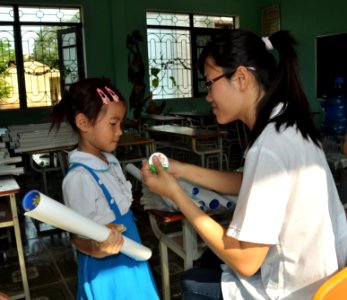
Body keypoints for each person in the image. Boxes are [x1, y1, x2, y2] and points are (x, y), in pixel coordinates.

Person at [141, 29, 347, 299]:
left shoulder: (270, 145)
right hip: (327, 277)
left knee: (193, 282)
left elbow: (245, 260)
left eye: (210, 83)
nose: (208, 96)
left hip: (297, 290)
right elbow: (248, 183)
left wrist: (176, 194)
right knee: (212, 261)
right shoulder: (286, 122)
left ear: (241, 78)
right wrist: (182, 170)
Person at [50, 78, 159, 300]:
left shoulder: (110, 161)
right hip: (107, 270)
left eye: (121, 124)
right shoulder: (79, 178)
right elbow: (77, 238)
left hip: (130, 255)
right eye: (113, 124)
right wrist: (97, 249)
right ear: (83, 123)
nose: (119, 131)